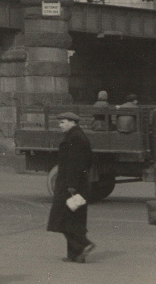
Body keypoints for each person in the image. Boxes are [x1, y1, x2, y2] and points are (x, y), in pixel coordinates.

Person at [46, 112, 96, 263]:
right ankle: (76, 255)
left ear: (72, 122)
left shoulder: (75, 138)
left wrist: (72, 185)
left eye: (62, 122)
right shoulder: (76, 136)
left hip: (70, 186)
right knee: (73, 219)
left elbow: (76, 164)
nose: (60, 125)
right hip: (73, 185)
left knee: (63, 218)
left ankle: (84, 244)